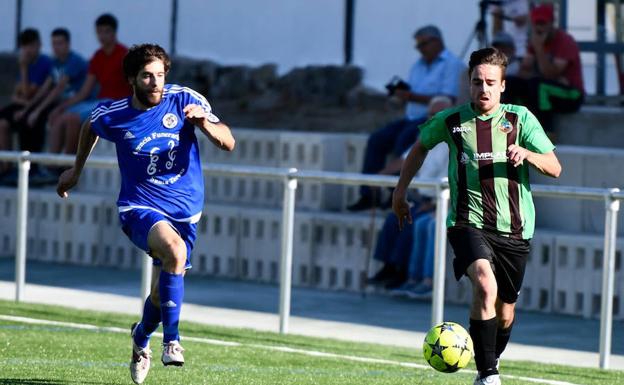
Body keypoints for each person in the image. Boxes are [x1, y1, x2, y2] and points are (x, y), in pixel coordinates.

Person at [56, 44, 235, 384]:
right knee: (175, 251)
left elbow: (229, 142)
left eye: (160, 76)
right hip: (139, 207)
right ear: (132, 80)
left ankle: (140, 339)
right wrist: (76, 171)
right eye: (147, 76)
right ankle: (173, 342)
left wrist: (204, 125)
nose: (155, 83)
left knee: (160, 291)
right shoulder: (114, 113)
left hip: (186, 212)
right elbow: (90, 127)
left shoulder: (183, 100)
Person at [392, 47, 561, 385]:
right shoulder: (452, 121)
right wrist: (400, 191)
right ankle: (488, 375)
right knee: (485, 283)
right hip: (467, 223)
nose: (483, 89)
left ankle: (488, 359)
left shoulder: (520, 119)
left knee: (506, 310)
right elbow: (420, 147)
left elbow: (555, 168)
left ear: (502, 86)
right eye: (476, 82)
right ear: (469, 84)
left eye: (490, 82)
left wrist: (527, 154)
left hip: (515, 228)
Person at [347, 25, 464, 211]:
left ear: (437, 41)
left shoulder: (453, 65)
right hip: (411, 117)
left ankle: (397, 193)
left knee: (404, 139)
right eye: (418, 46)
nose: (421, 49)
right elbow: (412, 92)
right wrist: (400, 96)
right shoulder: (418, 65)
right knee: (376, 139)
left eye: (424, 44)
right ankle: (369, 195)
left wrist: (410, 96)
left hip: (431, 119)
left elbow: (446, 100)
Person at [367, 96, 452, 290]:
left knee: (410, 222)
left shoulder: (453, 141)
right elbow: (404, 160)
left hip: (437, 200)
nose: (433, 118)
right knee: (392, 219)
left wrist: (435, 204)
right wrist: (379, 176)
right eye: (430, 114)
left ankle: (401, 272)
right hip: (420, 197)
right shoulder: (425, 136)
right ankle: (388, 267)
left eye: (437, 114)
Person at [13, 28, 88, 182]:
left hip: (77, 103)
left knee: (55, 118)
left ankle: (59, 167)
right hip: (62, 103)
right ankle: (48, 167)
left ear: (68, 44)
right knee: (32, 117)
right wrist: (29, 109)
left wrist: (37, 111)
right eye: (54, 44)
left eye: (60, 43)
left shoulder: (74, 61)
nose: (56, 47)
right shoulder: (54, 62)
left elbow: (59, 88)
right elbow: (45, 90)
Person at [49, 13, 131, 153]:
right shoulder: (97, 56)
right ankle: (50, 165)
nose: (102, 36)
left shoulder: (125, 54)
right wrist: (61, 107)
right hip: (101, 102)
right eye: (99, 32)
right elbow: (84, 91)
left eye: (106, 31)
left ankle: (68, 165)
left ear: (114, 33)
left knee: (71, 118)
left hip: (117, 104)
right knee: (58, 116)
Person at [504, 3, 584, 134]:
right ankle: (509, 130)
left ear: (552, 23)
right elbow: (523, 72)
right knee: (510, 83)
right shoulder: (534, 42)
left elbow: (550, 74)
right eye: (537, 23)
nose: (540, 27)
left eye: (543, 23)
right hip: (547, 87)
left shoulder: (565, 41)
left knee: (539, 86)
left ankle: (545, 133)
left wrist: (539, 48)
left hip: (572, 94)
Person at [0, 28, 52, 182]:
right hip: (26, 104)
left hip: (39, 105)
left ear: (39, 45)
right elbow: (16, 94)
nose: (28, 50)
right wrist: (23, 100)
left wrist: (23, 68)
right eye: (25, 46)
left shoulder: (43, 62)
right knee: (2, 122)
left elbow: (29, 93)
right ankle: (6, 167)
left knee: (26, 122)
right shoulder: (26, 61)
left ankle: (30, 169)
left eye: (32, 46)